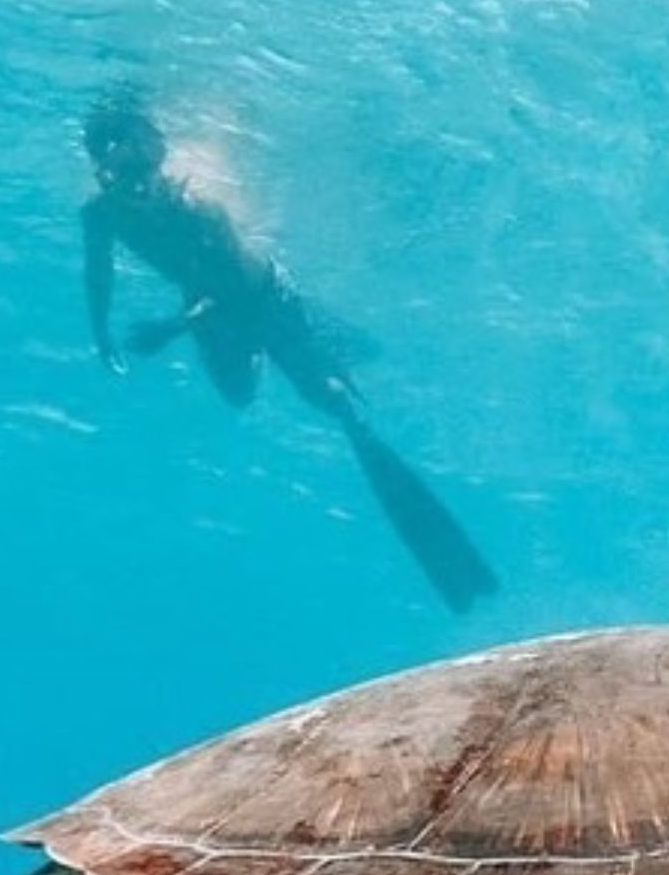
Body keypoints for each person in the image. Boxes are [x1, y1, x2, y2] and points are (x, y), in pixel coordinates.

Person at [77, 89, 499, 612]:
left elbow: (231, 288)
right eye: (119, 175)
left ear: (157, 158)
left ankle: (336, 385)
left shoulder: (201, 209)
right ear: (103, 173)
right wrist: (101, 333)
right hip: (205, 309)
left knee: (335, 403)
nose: (136, 187)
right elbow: (98, 275)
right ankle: (302, 359)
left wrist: (171, 328)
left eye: (140, 168)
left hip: (262, 299)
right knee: (237, 395)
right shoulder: (100, 217)